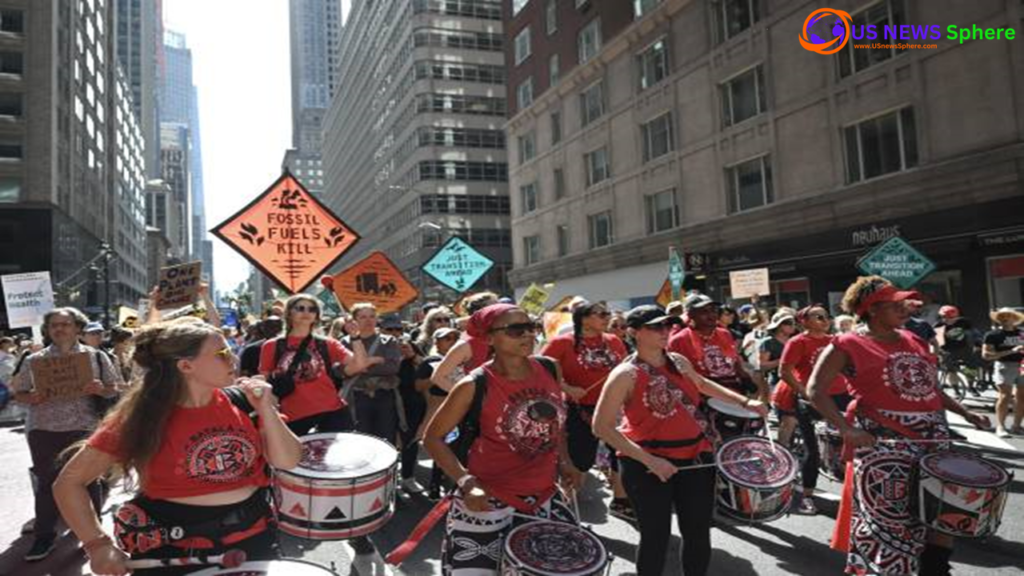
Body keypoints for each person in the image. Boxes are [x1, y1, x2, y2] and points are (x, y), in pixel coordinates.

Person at [53, 318, 302, 576]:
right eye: (222, 354)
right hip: (176, 551)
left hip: (255, 542)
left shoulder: (243, 400)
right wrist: (97, 545)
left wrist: (266, 409)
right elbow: (68, 482)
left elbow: (288, 460)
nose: (233, 359)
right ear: (185, 365)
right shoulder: (141, 417)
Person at [809, 276, 990, 576]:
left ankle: (935, 570)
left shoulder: (915, 340)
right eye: (896, 305)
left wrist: (967, 413)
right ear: (872, 309)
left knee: (941, 514)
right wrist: (846, 429)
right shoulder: (847, 343)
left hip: (933, 441)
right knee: (888, 524)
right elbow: (815, 390)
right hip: (882, 446)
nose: (905, 308)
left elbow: (931, 388)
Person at [593, 305, 767, 576]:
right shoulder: (625, 374)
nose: (665, 331)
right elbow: (601, 427)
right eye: (655, 327)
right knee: (656, 537)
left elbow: (702, 385)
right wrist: (650, 460)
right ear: (633, 332)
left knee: (698, 534)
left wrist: (746, 401)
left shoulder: (678, 360)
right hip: (646, 465)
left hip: (696, 457)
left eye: (667, 325)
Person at [424, 304, 582, 576]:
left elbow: (556, 425)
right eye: (515, 329)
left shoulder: (550, 369)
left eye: (531, 327)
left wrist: (565, 461)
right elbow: (433, 438)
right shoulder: (474, 384)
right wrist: (467, 483)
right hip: (486, 501)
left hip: (543, 496)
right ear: (489, 339)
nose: (528, 335)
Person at [11, 308, 123, 562]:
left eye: (65, 324)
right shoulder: (33, 360)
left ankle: (91, 534)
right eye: (54, 325)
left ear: (77, 328)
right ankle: (44, 536)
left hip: (83, 428)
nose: (59, 329)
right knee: (47, 484)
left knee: (88, 482)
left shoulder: (95, 357)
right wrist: (31, 397)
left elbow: (112, 389)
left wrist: (99, 389)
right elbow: (19, 393)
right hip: (44, 430)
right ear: (48, 330)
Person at [540, 301, 630, 512]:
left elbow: (626, 369)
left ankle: (621, 500)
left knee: (621, 453)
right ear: (583, 318)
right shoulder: (562, 343)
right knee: (581, 459)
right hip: (578, 409)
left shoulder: (614, 341)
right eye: (601, 314)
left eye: (607, 313)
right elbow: (541, 370)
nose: (607, 317)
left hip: (613, 407)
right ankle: (567, 505)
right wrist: (567, 388)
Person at [259, 295, 372, 436]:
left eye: (312, 309)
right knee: (299, 458)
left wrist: (355, 336)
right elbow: (264, 381)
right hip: (292, 415)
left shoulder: (327, 343)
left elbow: (360, 364)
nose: (306, 312)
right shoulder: (271, 346)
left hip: (332, 411)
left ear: (316, 316)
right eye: (300, 308)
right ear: (289, 313)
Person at [778, 304, 849, 515]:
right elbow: (785, 372)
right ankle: (807, 497)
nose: (824, 320)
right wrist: (804, 392)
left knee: (849, 446)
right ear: (804, 321)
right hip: (811, 401)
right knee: (813, 450)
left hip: (841, 397)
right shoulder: (797, 342)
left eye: (826, 316)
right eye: (818, 316)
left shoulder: (835, 341)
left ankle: (853, 495)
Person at [668, 293, 769, 403]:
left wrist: (745, 378)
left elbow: (733, 360)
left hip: (733, 390)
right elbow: (676, 376)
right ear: (691, 314)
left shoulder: (725, 334)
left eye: (713, 310)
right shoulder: (679, 340)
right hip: (703, 396)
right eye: (704, 311)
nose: (711, 315)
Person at [341, 303, 404, 444]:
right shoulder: (345, 342)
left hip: (384, 396)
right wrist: (373, 360)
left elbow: (392, 367)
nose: (368, 320)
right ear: (354, 320)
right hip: (356, 396)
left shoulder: (388, 341)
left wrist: (360, 365)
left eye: (372, 316)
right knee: (361, 439)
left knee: (386, 438)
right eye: (363, 317)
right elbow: (339, 370)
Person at [416, 326, 461, 499]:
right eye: (447, 338)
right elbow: (418, 386)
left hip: (462, 409)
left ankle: (456, 487)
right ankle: (435, 487)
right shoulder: (430, 361)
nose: (452, 341)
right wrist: (439, 375)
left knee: (459, 447)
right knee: (440, 447)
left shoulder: (466, 359)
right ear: (437, 342)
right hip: (440, 409)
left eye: (454, 337)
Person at [982, 307, 1024, 437]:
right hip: (1004, 366)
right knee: (1005, 396)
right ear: (999, 319)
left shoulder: (1022, 333)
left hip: (1022, 366)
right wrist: (1012, 350)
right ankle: (1000, 427)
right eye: (1002, 316)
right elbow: (986, 355)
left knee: (1021, 397)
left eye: (1008, 316)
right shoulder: (992, 335)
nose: (1005, 318)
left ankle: (1017, 426)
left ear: (1014, 318)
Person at [760, 311, 797, 443]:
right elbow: (762, 365)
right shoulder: (768, 342)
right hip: (778, 383)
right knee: (786, 419)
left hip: (798, 383)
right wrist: (782, 361)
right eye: (788, 323)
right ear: (778, 325)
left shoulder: (796, 340)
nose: (792, 326)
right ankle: (783, 451)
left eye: (793, 322)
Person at [397, 335, 427, 493]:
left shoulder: (416, 356)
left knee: (411, 442)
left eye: (398, 330)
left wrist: (413, 355)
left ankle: (408, 478)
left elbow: (429, 368)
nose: (395, 333)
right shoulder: (387, 355)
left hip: (414, 406)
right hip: (390, 404)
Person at [934, 305, 978, 397]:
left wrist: (976, 344)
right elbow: (938, 341)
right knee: (950, 370)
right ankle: (956, 390)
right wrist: (940, 352)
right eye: (944, 317)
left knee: (971, 368)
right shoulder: (938, 325)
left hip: (964, 348)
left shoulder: (964, 322)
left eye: (951, 318)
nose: (947, 320)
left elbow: (973, 333)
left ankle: (971, 387)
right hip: (948, 350)